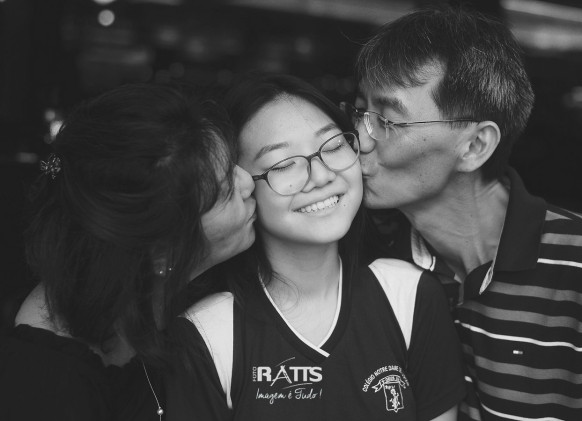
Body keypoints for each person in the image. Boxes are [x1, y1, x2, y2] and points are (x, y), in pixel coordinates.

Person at [164, 73, 466, 421]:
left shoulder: (409, 297)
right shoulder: (207, 333)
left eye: (334, 146)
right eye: (283, 164)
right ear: (241, 185)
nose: (321, 176)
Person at [347, 5, 582, 421]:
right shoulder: (372, 264)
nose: (359, 140)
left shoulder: (574, 267)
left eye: (386, 120)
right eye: (360, 111)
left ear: (474, 147)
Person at [0, 82, 257, 420]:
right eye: (225, 190)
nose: (248, 181)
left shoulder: (178, 290)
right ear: (163, 252)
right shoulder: (50, 388)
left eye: (233, 162)